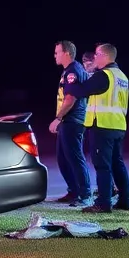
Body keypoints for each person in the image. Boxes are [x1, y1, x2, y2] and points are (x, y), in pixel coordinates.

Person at [63, 43, 129, 213]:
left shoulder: (104, 75)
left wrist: (69, 82)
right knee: (117, 164)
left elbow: (82, 90)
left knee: (103, 166)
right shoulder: (121, 75)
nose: (95, 57)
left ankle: (103, 203)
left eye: (97, 54)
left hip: (103, 125)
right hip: (118, 125)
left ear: (104, 56)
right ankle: (125, 200)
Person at [47, 40, 92, 207]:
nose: (55, 55)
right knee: (63, 159)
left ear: (66, 53)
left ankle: (85, 194)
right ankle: (74, 191)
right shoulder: (68, 71)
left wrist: (58, 118)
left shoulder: (73, 71)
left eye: (57, 52)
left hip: (72, 121)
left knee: (75, 157)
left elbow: (70, 98)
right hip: (68, 120)